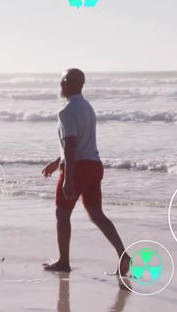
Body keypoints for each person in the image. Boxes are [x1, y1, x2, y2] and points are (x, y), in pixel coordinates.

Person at [41, 68, 130, 279]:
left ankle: (63, 262)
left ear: (66, 83)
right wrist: (57, 161)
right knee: (97, 214)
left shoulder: (66, 111)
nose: (60, 84)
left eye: (62, 80)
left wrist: (68, 178)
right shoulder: (87, 108)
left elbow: (71, 144)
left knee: (62, 214)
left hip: (77, 167)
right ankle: (123, 254)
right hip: (94, 165)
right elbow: (79, 141)